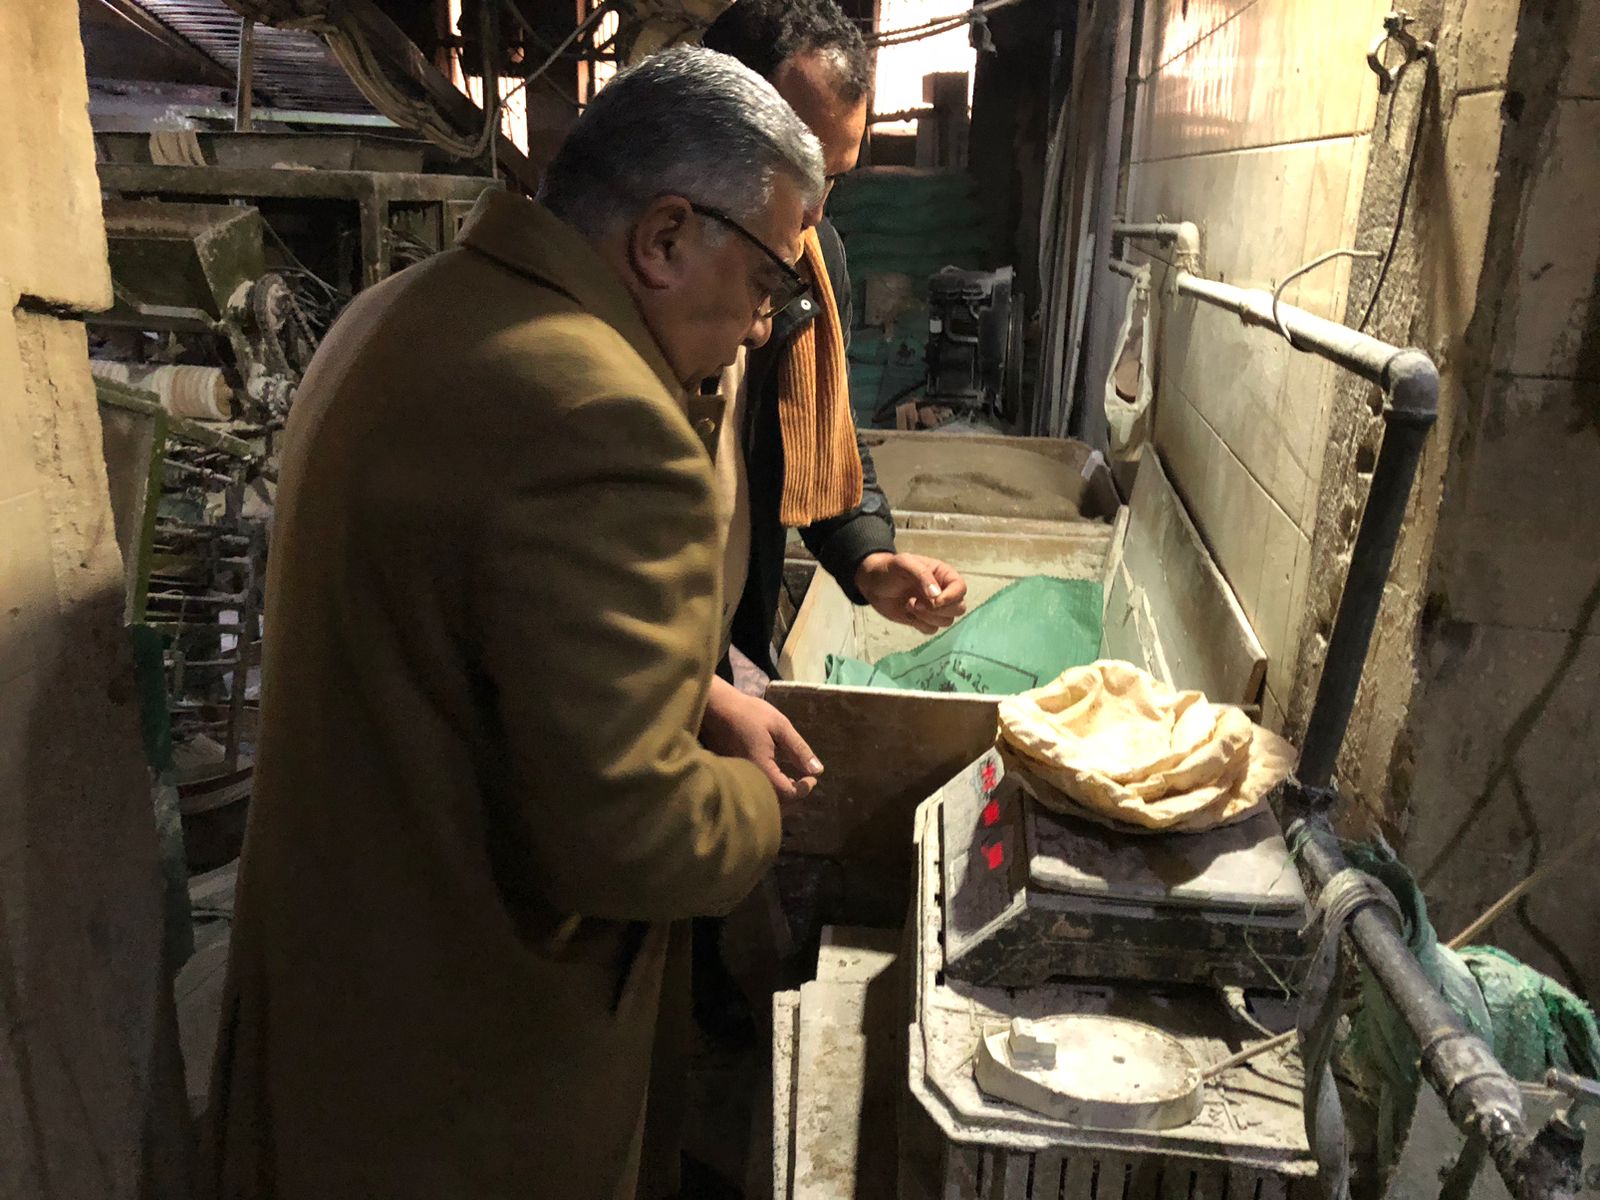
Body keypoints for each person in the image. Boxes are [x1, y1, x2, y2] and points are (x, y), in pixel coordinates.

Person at [199, 48, 825, 1200]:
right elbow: (630, 836)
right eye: (768, 280)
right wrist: (758, 812)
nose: (758, 328)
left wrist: (696, 692)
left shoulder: (401, 311)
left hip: (334, 992)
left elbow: (464, 612)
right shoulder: (606, 417)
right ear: (665, 237)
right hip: (465, 1068)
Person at [695, 0, 970, 804]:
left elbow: (818, 436)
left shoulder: (813, 263)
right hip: (641, 666)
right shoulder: (661, 285)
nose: (816, 213)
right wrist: (695, 696)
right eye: (799, 170)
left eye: (835, 180)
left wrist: (868, 556)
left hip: (721, 635)